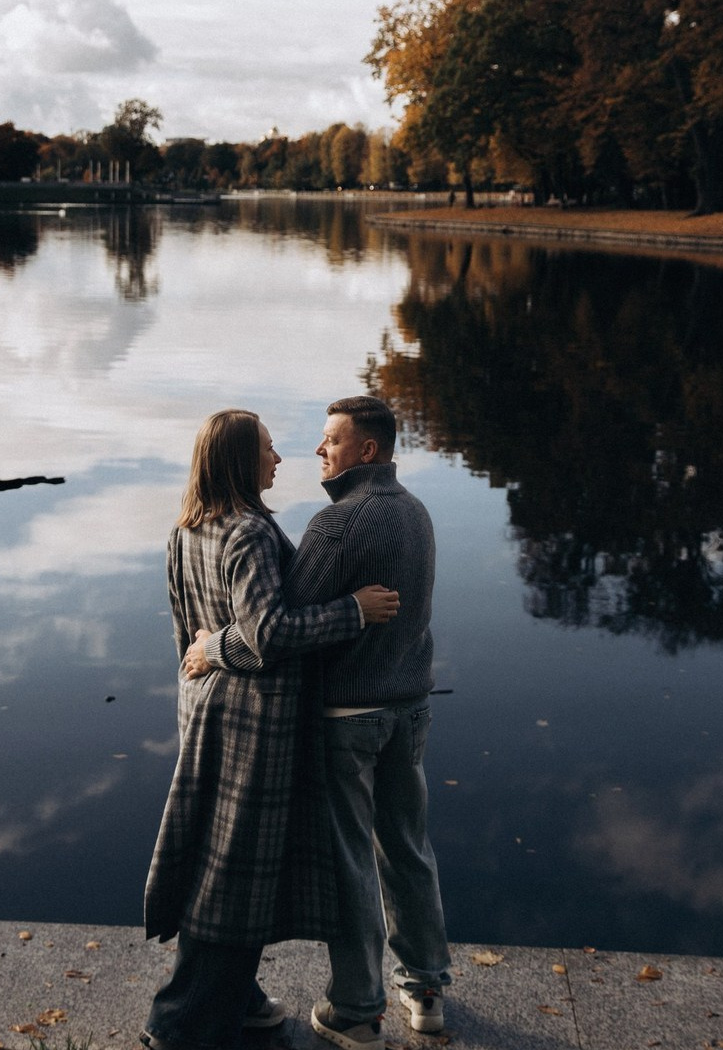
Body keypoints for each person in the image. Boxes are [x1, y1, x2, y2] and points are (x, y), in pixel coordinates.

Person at [186, 395, 451, 1050]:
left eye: (331, 439)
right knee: (408, 846)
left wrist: (208, 647)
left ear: (367, 449)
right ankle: (425, 989)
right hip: (411, 706)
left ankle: (357, 1009)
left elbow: (271, 633)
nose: (318, 450)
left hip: (350, 715)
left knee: (351, 862)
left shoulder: (336, 526)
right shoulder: (416, 514)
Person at [142, 408, 400, 1050]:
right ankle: (178, 1025)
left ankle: (241, 997)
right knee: (237, 872)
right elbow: (267, 634)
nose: (280, 458)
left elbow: (185, 638)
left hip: (202, 710)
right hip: (257, 726)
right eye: (267, 448)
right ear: (238, 460)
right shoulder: (248, 534)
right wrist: (354, 611)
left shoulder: (184, 529)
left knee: (223, 858)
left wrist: (204, 662)